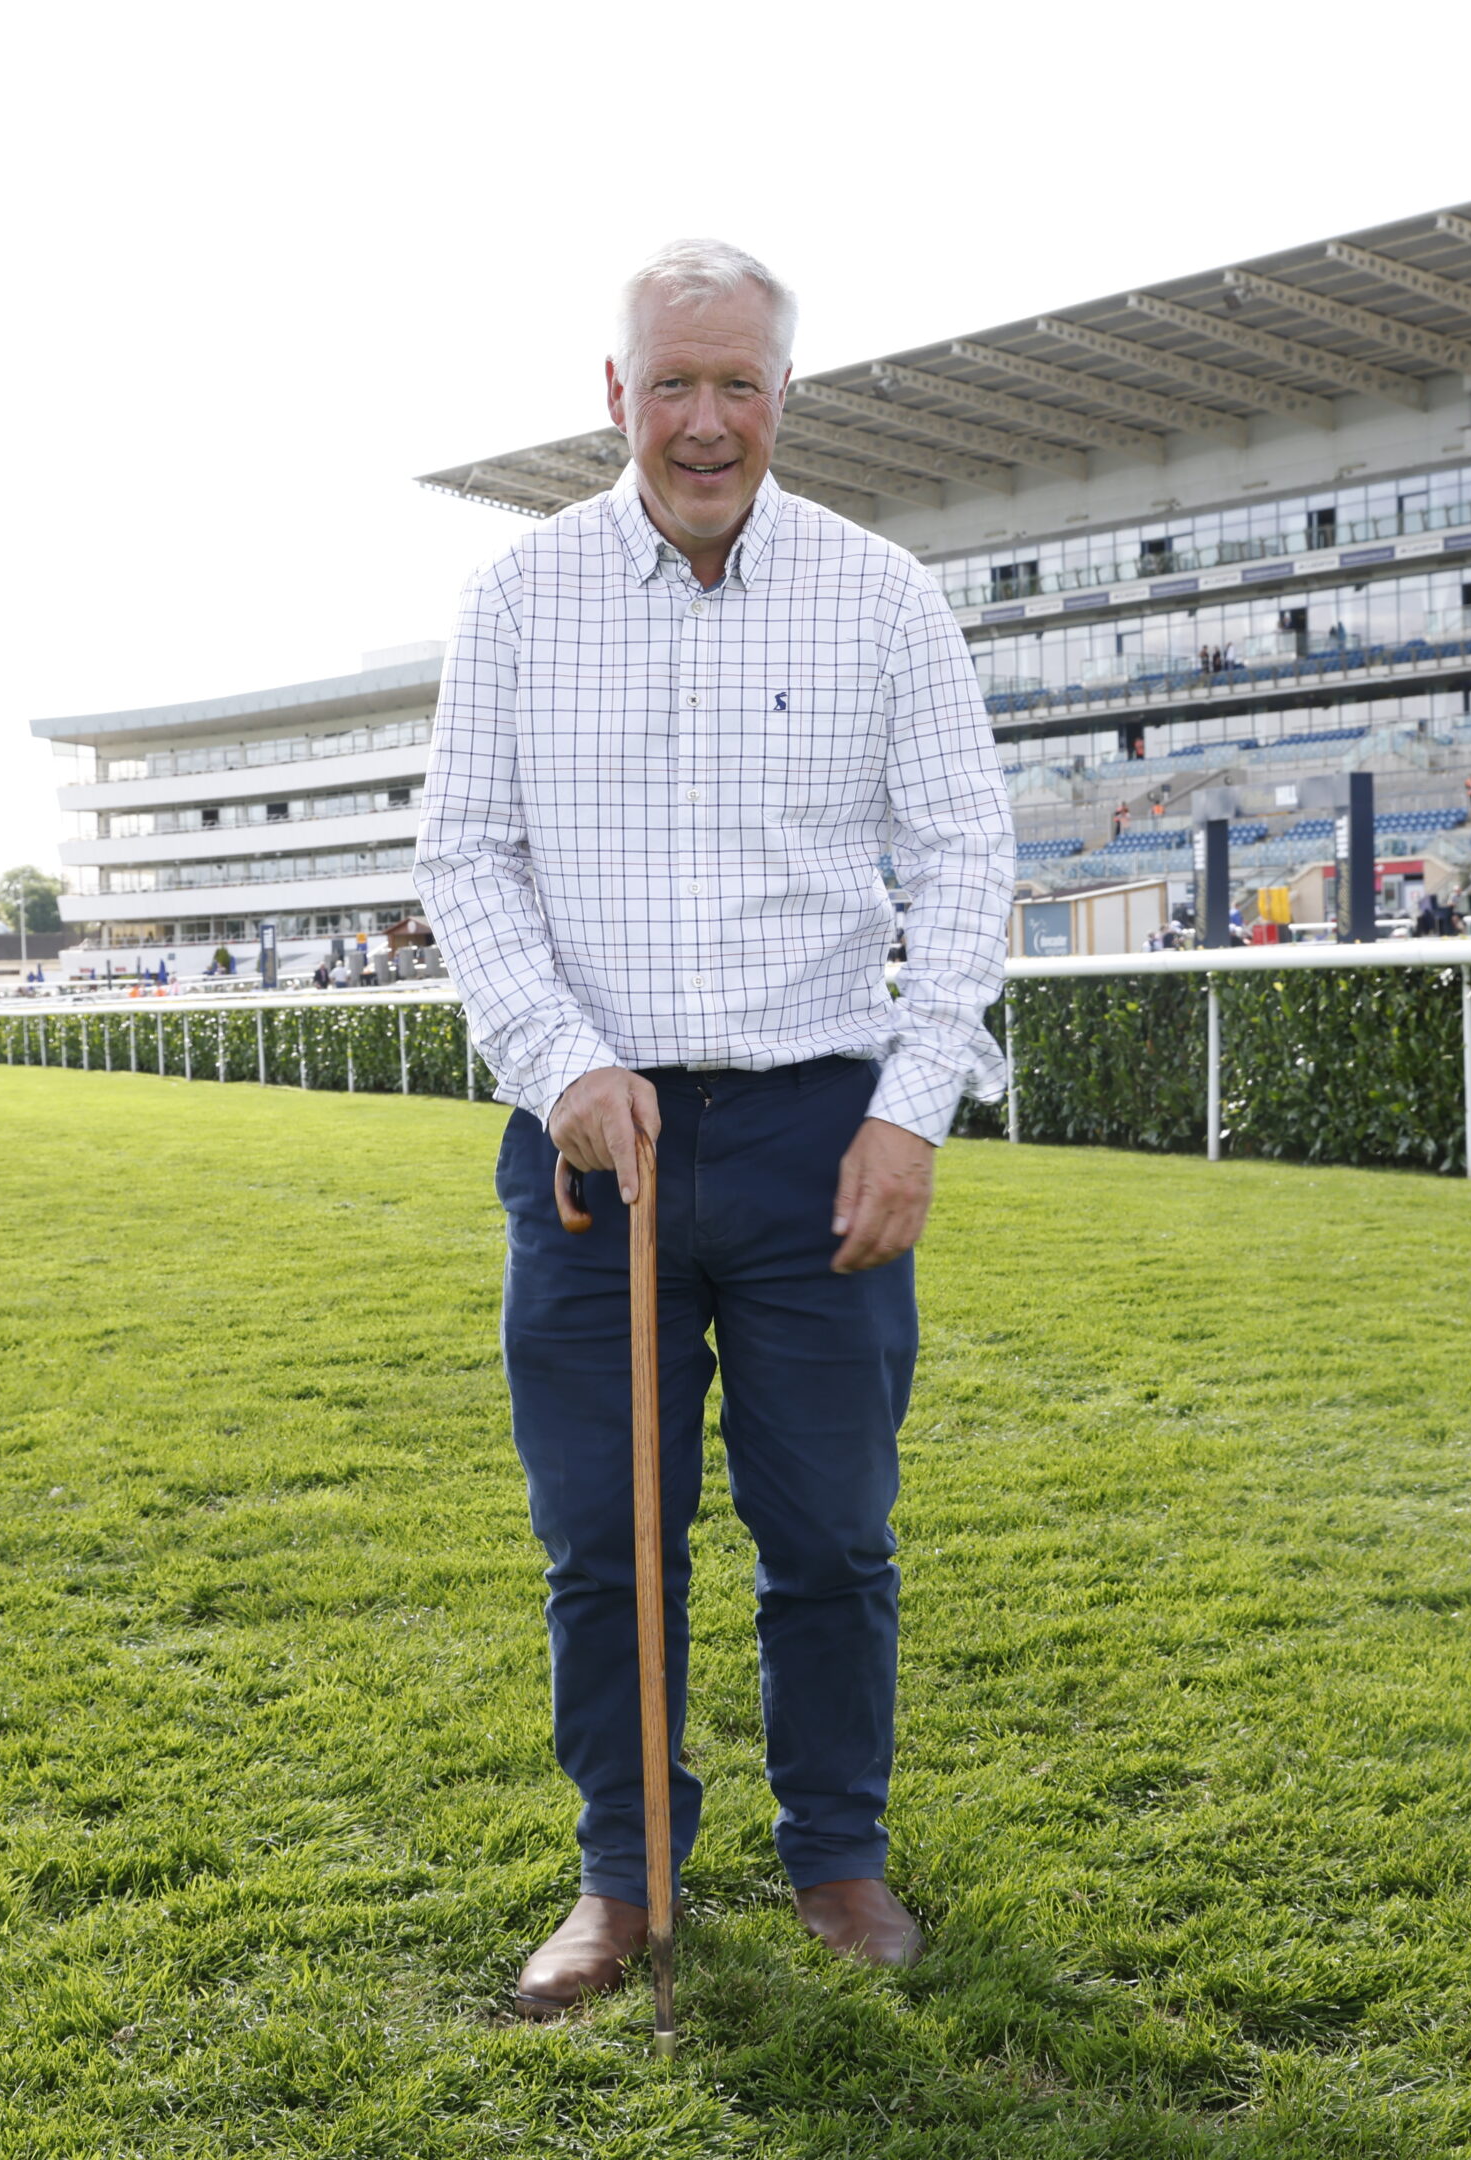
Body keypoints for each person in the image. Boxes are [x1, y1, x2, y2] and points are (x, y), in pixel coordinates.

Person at [418, 239, 1008, 2014]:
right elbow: (464, 855)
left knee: (830, 1529)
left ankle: (836, 1855)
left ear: (783, 396)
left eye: (736, 383)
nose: (703, 419)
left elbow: (969, 856)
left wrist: (912, 1112)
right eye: (670, 383)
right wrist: (558, 1060)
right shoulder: (521, 599)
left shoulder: (883, 594)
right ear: (615, 396)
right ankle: (626, 1874)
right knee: (609, 1539)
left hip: (824, 1130)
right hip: (599, 1149)